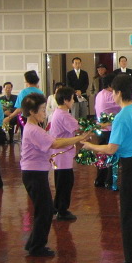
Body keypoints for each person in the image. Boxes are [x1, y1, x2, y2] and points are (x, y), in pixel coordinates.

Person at [83, 74, 132, 263]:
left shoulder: (122, 116)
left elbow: (111, 148)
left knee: (127, 212)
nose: (112, 95)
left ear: (119, 93)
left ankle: (130, 257)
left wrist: (91, 147)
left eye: (113, 92)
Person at [19, 93, 89, 257]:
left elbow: (53, 142)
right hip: (34, 174)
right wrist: (78, 138)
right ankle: (37, 247)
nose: (45, 113)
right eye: (42, 110)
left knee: (44, 209)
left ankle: (33, 243)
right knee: (45, 210)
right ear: (32, 112)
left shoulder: (35, 128)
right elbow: (55, 143)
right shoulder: (33, 130)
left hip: (36, 173)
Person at [50, 86, 80, 221]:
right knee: (65, 183)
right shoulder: (64, 115)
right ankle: (62, 210)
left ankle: (56, 206)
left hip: (59, 154)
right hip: (63, 154)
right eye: (72, 99)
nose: (73, 101)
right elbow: (79, 128)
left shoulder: (58, 112)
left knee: (60, 182)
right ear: (66, 100)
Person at [93, 72, 121, 189]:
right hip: (109, 130)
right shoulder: (110, 95)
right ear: (111, 85)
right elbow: (124, 102)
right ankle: (110, 182)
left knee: (102, 155)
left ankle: (100, 180)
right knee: (111, 155)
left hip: (101, 130)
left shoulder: (99, 94)